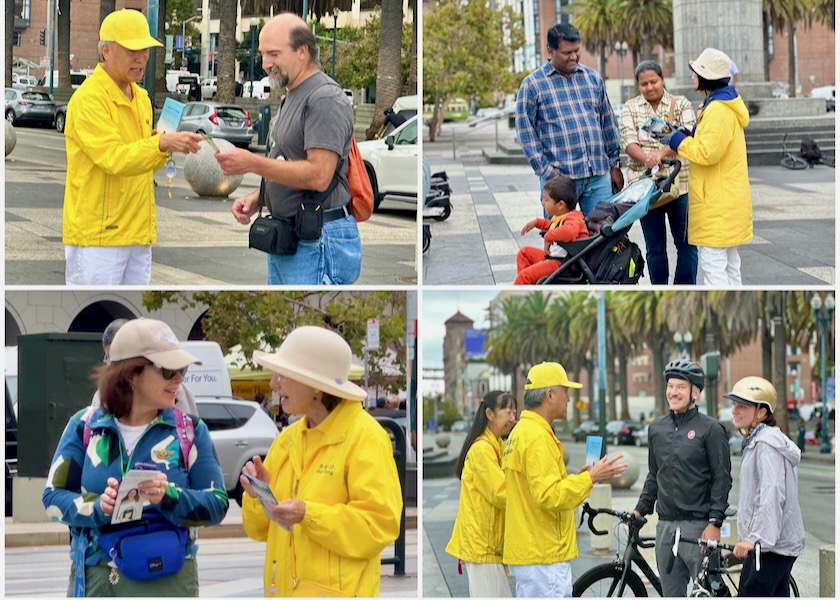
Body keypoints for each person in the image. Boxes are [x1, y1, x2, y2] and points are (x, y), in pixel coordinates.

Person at [43, 318, 229, 596]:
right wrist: (97, 507)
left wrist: (170, 496)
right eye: (168, 371)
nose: (179, 379)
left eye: (183, 369)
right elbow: (53, 497)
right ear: (131, 373)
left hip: (169, 580)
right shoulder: (85, 426)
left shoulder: (189, 431)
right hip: (98, 580)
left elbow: (217, 504)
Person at [239, 326, 402, 597]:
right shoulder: (287, 439)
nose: (273, 384)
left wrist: (308, 514)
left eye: (283, 375)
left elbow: (379, 526)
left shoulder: (366, 436)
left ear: (315, 385)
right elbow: (259, 531)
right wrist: (259, 497)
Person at [62, 9, 203, 285]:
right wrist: (160, 143)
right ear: (107, 51)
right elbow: (113, 158)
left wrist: (159, 145)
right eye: (132, 50)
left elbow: (142, 159)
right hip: (99, 236)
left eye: (146, 50)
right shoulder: (88, 100)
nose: (141, 58)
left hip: (137, 231)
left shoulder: (141, 97)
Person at [217, 14, 360, 285]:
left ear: (302, 51)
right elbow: (292, 161)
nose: (265, 64)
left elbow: (319, 175)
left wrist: (251, 163)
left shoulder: (324, 98)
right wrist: (261, 197)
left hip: (318, 238)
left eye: (273, 54)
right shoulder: (293, 93)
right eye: (262, 55)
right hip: (295, 236)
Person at [503, 362, 627, 597]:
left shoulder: (522, 431)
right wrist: (590, 477)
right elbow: (550, 496)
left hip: (531, 551)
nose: (569, 399)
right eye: (566, 392)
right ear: (550, 395)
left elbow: (537, 488)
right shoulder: (537, 437)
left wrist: (579, 479)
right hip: (543, 554)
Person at [648, 48, 752, 285]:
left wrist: (676, 140)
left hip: (718, 202)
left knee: (714, 267)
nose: (693, 76)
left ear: (707, 77)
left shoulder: (717, 110)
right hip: (726, 198)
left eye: (695, 72)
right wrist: (685, 135)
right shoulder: (721, 104)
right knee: (730, 265)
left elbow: (707, 153)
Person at [632, 359, 732, 597]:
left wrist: (715, 522)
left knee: (708, 593)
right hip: (665, 526)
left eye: (681, 387)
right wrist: (639, 510)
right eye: (670, 386)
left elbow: (722, 478)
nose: (673, 392)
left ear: (695, 392)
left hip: (699, 527)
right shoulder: (656, 429)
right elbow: (655, 475)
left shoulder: (711, 429)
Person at [516, 23, 623, 218]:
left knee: (604, 239)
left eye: (576, 51)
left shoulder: (593, 78)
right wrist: (548, 173)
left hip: (598, 177)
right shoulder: (532, 85)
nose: (573, 57)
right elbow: (526, 134)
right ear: (550, 50)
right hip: (560, 182)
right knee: (559, 243)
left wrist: (614, 165)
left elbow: (608, 123)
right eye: (567, 52)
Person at [619, 60, 698, 284]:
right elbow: (628, 141)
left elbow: (688, 134)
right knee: (654, 248)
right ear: (638, 85)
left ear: (663, 80)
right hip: (647, 188)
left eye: (654, 81)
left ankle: (684, 291)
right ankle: (660, 289)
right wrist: (647, 159)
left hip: (679, 185)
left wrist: (660, 155)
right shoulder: (630, 107)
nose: (650, 87)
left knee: (687, 246)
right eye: (644, 84)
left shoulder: (680, 103)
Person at [726, 377, 804, 597]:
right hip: (773, 546)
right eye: (734, 404)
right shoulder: (761, 441)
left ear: (761, 412)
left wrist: (754, 539)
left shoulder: (766, 445)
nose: (734, 410)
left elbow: (771, 494)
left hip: (770, 547)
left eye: (742, 406)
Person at [445, 391, 518, 597]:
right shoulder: (482, 450)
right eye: (507, 412)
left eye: (515, 412)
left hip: (489, 545)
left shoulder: (499, 445)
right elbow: (502, 493)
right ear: (489, 414)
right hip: (483, 546)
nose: (513, 418)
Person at [91, 318, 198, 415]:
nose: (179, 379)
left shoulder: (191, 429)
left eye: (180, 369)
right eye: (111, 360)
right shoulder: (87, 424)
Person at [514, 175, 588, 285]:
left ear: (561, 205)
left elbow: (569, 232)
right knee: (524, 253)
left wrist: (549, 236)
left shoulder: (573, 218)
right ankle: (529, 283)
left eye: (546, 200)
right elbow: (553, 226)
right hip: (554, 257)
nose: (543, 203)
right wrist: (537, 223)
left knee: (525, 276)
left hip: (563, 264)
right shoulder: (564, 215)